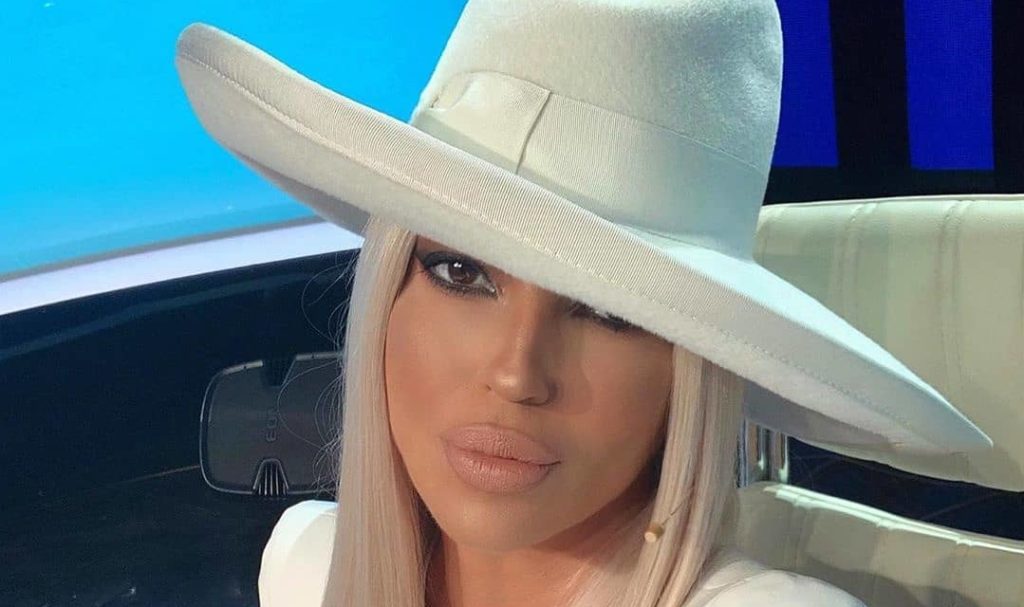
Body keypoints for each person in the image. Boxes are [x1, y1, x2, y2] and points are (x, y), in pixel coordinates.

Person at [173, 0, 991, 605]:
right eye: (461, 273)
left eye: (609, 311)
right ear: (388, 293)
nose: (517, 372)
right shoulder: (307, 570)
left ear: (691, 369)